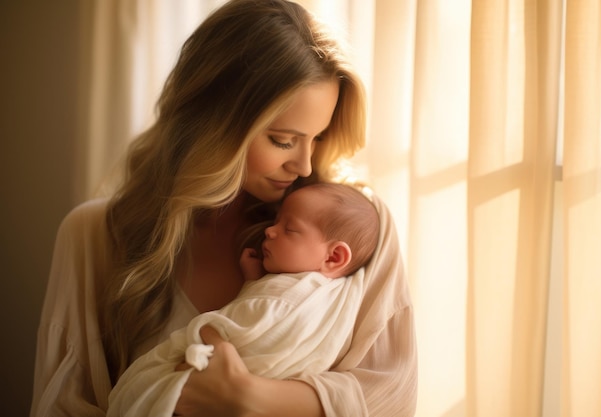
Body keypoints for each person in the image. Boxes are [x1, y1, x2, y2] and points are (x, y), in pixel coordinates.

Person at [30, 0, 418, 416]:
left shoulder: (357, 231)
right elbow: (62, 406)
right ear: (213, 125)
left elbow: (391, 396)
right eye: (284, 140)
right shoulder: (94, 235)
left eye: (317, 137)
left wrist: (248, 398)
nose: (304, 165)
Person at [106, 182, 380, 416]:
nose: (270, 231)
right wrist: (252, 284)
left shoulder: (303, 296)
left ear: (334, 257)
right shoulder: (330, 290)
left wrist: (206, 330)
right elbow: (263, 317)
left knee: (152, 379)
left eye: (289, 229)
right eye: (276, 222)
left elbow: (247, 326)